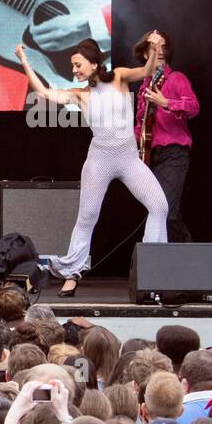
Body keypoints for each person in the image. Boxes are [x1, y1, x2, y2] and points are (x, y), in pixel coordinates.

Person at [18, 36, 165, 296]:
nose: (74, 70)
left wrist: (153, 50)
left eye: (78, 65)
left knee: (159, 206)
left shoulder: (119, 77)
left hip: (128, 158)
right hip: (100, 159)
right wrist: (24, 60)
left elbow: (146, 70)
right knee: (86, 218)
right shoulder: (80, 94)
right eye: (73, 66)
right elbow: (43, 92)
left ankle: (154, 271)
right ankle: (72, 275)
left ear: (94, 64)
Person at [130, 30, 199, 240]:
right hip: (152, 157)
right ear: (145, 54)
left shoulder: (176, 78)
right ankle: (181, 260)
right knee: (165, 212)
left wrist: (166, 103)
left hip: (174, 154)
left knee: (164, 210)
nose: (159, 51)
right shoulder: (144, 87)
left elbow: (194, 107)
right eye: (153, 47)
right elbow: (140, 125)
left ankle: (184, 258)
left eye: (162, 46)